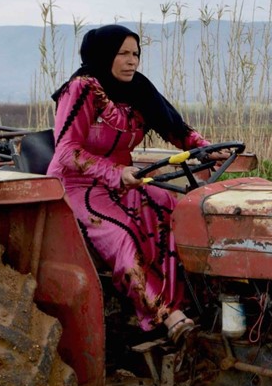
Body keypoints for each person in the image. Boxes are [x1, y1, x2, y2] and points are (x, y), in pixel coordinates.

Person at [48, 24, 214, 341]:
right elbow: (67, 150)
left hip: (124, 181)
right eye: (123, 53)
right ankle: (166, 314)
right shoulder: (82, 89)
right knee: (122, 234)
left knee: (174, 207)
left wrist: (207, 149)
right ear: (105, 55)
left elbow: (175, 129)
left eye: (135, 54)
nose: (131, 61)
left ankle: (200, 299)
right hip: (77, 186)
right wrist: (115, 172)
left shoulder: (138, 89)